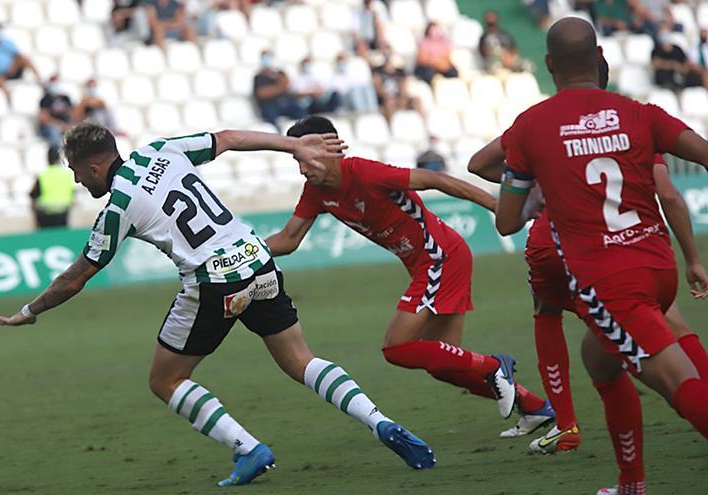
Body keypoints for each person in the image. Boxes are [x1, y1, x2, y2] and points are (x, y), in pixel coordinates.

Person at [0, 122, 437, 486]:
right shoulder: (161, 149)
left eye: (75, 170)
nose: (74, 179)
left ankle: (248, 449)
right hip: (256, 258)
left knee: (165, 380)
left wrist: (29, 312)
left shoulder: (118, 205)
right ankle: (379, 421)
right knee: (301, 359)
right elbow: (231, 139)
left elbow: (76, 277)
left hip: (213, 281)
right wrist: (292, 146)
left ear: (93, 165)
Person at [494, 18, 708, 495]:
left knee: (676, 382)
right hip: (658, 266)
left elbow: (507, 222)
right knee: (599, 359)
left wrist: (543, 191)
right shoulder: (640, 113)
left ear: (549, 65)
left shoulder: (530, 125)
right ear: (598, 58)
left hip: (610, 281)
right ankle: (630, 484)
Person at [266, 115, 555, 437]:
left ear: (331, 150)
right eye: (297, 160)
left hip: (439, 258)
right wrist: (239, 252)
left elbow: (435, 179)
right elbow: (288, 240)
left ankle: (494, 365)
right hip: (430, 262)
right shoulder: (316, 191)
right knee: (446, 363)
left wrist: (493, 203)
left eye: (304, 158)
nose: (302, 168)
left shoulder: (364, 172)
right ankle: (534, 407)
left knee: (396, 348)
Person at [253, 50, 306, 129]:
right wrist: (279, 87)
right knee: (270, 111)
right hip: (269, 106)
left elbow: (288, 86)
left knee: (300, 109)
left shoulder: (279, 74)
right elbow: (262, 93)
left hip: (282, 104)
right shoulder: (259, 77)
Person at [30, 146, 75, 229]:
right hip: (63, 211)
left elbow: (33, 194)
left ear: (47, 158)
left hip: (46, 212)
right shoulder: (67, 174)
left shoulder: (43, 174)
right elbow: (72, 193)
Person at [38, 75, 74, 150]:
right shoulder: (45, 100)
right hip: (51, 127)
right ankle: (57, 154)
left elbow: (72, 114)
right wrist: (60, 125)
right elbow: (44, 119)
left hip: (65, 125)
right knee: (54, 131)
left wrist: (67, 125)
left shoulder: (66, 98)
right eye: (53, 82)